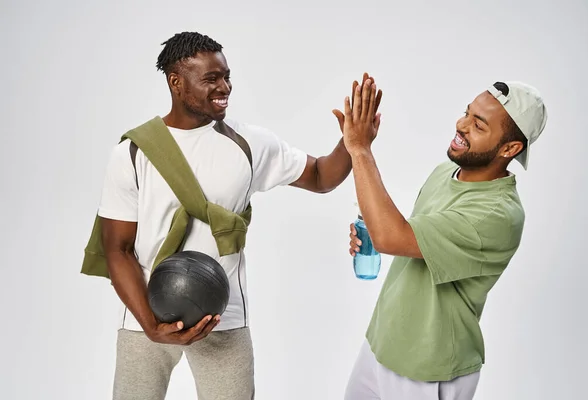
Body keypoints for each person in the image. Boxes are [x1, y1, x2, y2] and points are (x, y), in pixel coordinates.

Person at [95, 31, 381, 400]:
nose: (224, 87)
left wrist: (352, 141)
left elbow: (322, 177)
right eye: (211, 79)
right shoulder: (132, 153)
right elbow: (117, 249)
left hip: (223, 316)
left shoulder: (249, 144)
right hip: (145, 313)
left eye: (227, 76)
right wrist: (150, 326)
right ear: (176, 82)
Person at [341, 79, 547, 399]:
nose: (461, 125)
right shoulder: (446, 171)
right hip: (383, 341)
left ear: (510, 148)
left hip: (428, 367)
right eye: (467, 113)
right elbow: (403, 239)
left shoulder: (496, 214)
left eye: (478, 125)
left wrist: (360, 148)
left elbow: (391, 236)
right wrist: (376, 234)